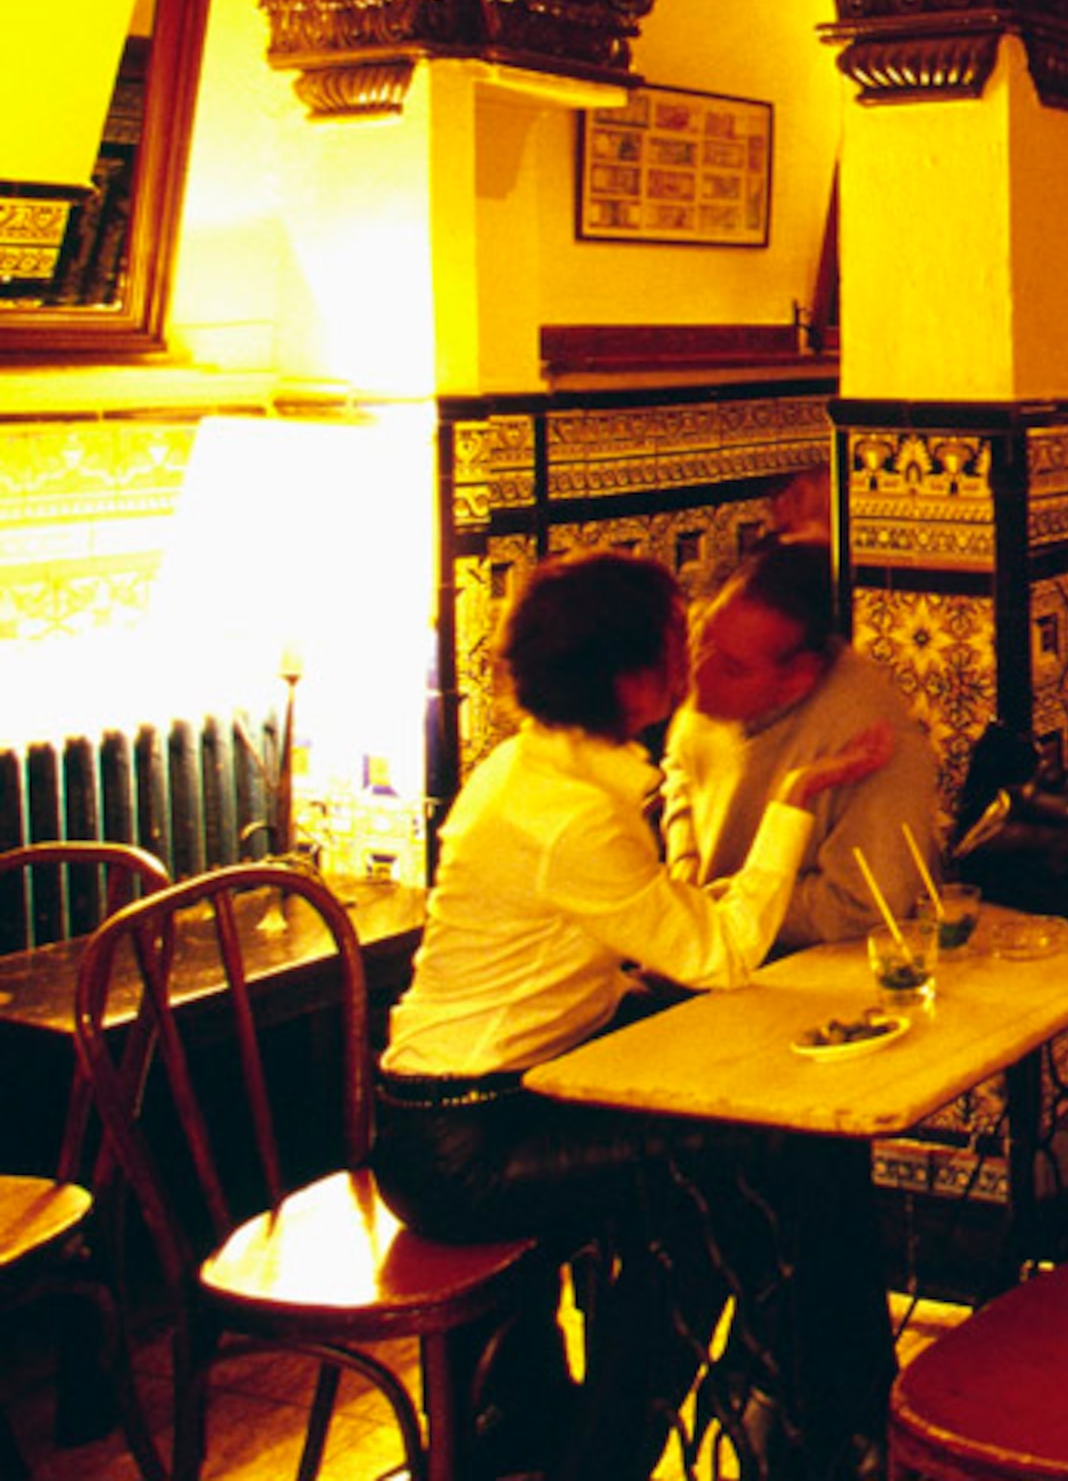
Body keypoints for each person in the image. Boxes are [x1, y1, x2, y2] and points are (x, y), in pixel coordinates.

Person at [373, 550, 899, 1481]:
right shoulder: (570, 815)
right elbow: (721, 953)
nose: (695, 657)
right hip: (467, 1143)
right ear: (628, 678)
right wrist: (792, 802)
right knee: (739, 1164)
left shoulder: (541, 769)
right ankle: (741, 1430)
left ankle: (807, 1413)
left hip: (501, 1097)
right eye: (677, 640)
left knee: (734, 1167)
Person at [663, 538, 942, 949]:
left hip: (816, 974)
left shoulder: (875, 740)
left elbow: (863, 907)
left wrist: (720, 905)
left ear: (797, 679)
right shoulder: (711, 690)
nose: (697, 675)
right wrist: (684, 863)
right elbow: (681, 767)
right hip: (707, 946)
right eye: (701, 640)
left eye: (733, 669)